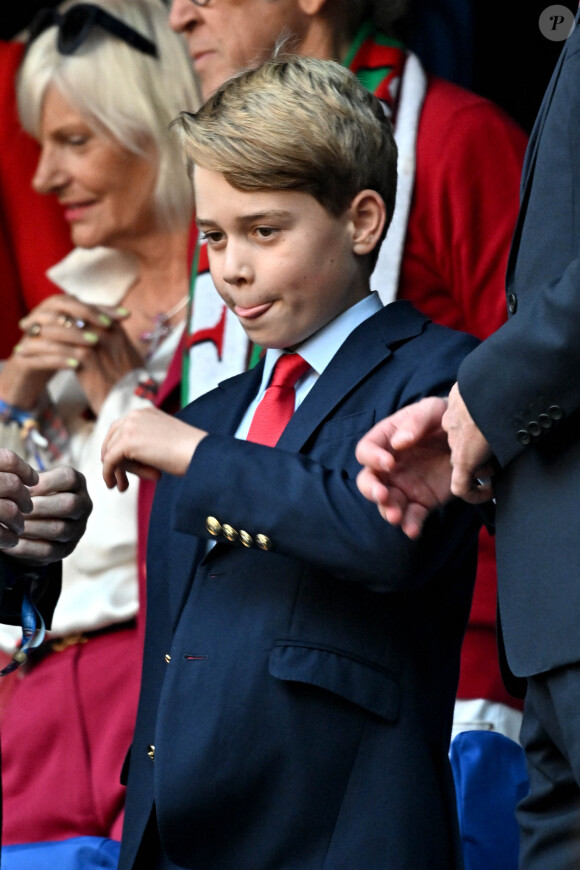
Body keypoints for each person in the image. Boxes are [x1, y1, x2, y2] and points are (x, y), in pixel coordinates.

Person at [100, 55, 482, 870]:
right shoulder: (209, 414)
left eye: (263, 231)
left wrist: (195, 455)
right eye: (212, 236)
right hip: (175, 840)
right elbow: (172, 642)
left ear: (364, 220)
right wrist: (32, 549)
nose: (230, 266)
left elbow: (385, 539)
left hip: (342, 837)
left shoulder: (443, 376)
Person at [167, 0, 528, 742]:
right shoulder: (234, 201)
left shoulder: (456, 138)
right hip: (235, 686)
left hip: (446, 671)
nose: (177, 17)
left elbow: (524, 381)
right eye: (215, 238)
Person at [355, 9, 580, 867]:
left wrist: (482, 397)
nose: (181, 10)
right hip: (542, 616)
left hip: (499, 642)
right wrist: (466, 416)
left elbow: (511, 330)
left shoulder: (455, 133)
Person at [0, 0, 200, 857]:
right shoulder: (60, 306)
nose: (45, 179)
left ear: (156, 131)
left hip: (161, 693)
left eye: (74, 142)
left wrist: (123, 396)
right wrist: (11, 400)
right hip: (27, 701)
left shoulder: (246, 299)